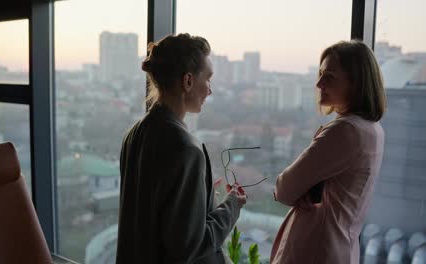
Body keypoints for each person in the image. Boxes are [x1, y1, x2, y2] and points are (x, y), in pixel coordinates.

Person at [116, 33, 247, 264]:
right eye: (207, 79)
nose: (209, 90)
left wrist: (202, 197)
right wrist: (232, 206)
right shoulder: (186, 149)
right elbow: (190, 248)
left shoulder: (134, 135)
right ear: (188, 81)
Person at [270, 40, 386, 264]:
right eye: (320, 73)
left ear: (356, 83)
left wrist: (301, 191)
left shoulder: (346, 131)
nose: (319, 83)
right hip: (340, 248)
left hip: (315, 250)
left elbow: (283, 189)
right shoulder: (373, 130)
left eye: (329, 77)